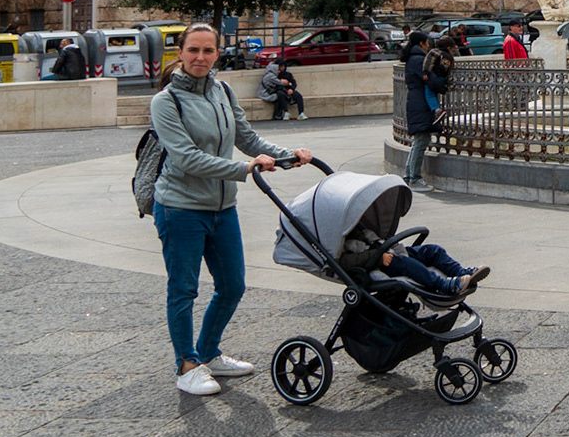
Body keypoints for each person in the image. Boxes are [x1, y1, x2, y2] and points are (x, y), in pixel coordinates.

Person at [149, 22, 311, 396]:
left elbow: (247, 138)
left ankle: (208, 352)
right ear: (180, 53)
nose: (200, 57)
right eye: (193, 50)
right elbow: (187, 158)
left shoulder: (222, 90)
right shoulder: (166, 102)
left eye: (208, 50)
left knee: (233, 285)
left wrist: (287, 156)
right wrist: (245, 169)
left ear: (217, 54)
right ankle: (187, 365)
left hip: (223, 207)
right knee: (183, 290)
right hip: (181, 208)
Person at [340, 215, 489, 299]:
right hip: (377, 264)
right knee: (408, 265)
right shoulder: (340, 242)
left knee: (432, 250)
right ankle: (443, 285)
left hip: (388, 251)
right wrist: (377, 257)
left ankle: (461, 272)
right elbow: (345, 261)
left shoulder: (358, 227)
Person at [401, 32, 439, 192]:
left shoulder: (412, 58)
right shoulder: (418, 60)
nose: (428, 45)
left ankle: (409, 176)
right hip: (420, 102)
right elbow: (430, 79)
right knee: (421, 140)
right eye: (427, 42)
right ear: (422, 43)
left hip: (416, 100)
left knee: (419, 140)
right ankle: (415, 178)